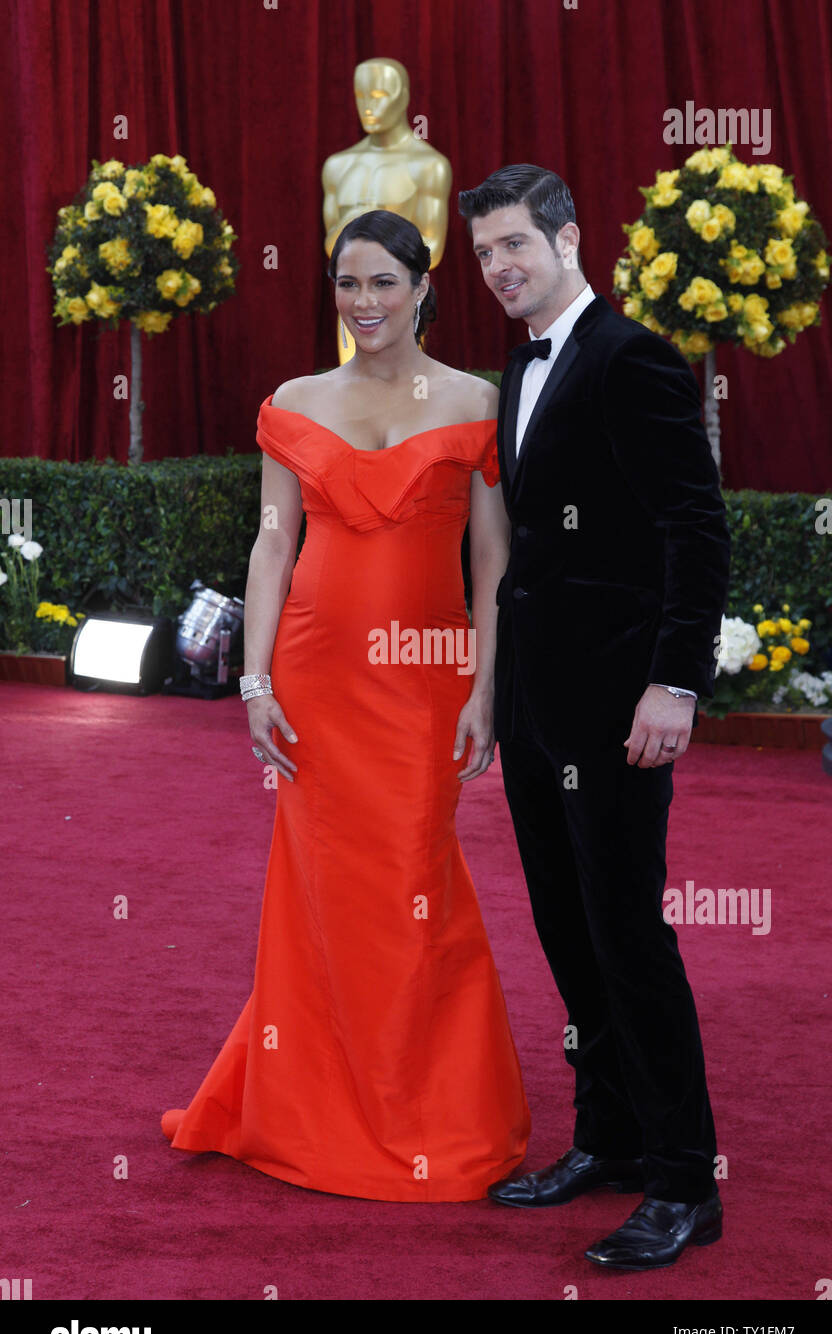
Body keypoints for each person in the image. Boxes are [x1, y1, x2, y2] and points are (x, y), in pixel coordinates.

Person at [161, 210, 530, 1201]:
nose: (361, 302)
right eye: (345, 284)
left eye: (380, 283)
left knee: (416, 887)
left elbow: (493, 556)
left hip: (422, 681)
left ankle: (426, 1112)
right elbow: (272, 546)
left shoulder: (474, 400)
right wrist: (253, 679)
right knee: (321, 894)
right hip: (317, 681)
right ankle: (309, 1109)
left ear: (421, 287)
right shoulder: (293, 399)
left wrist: (486, 685)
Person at [457, 165, 731, 1268]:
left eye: (516, 244)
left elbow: (694, 530)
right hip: (537, 705)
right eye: (483, 254)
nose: (501, 268)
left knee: (626, 933)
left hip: (621, 704)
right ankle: (608, 1136)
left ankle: (683, 1181)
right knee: (567, 932)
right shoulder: (516, 367)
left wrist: (675, 682)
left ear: (570, 238)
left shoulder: (631, 360)